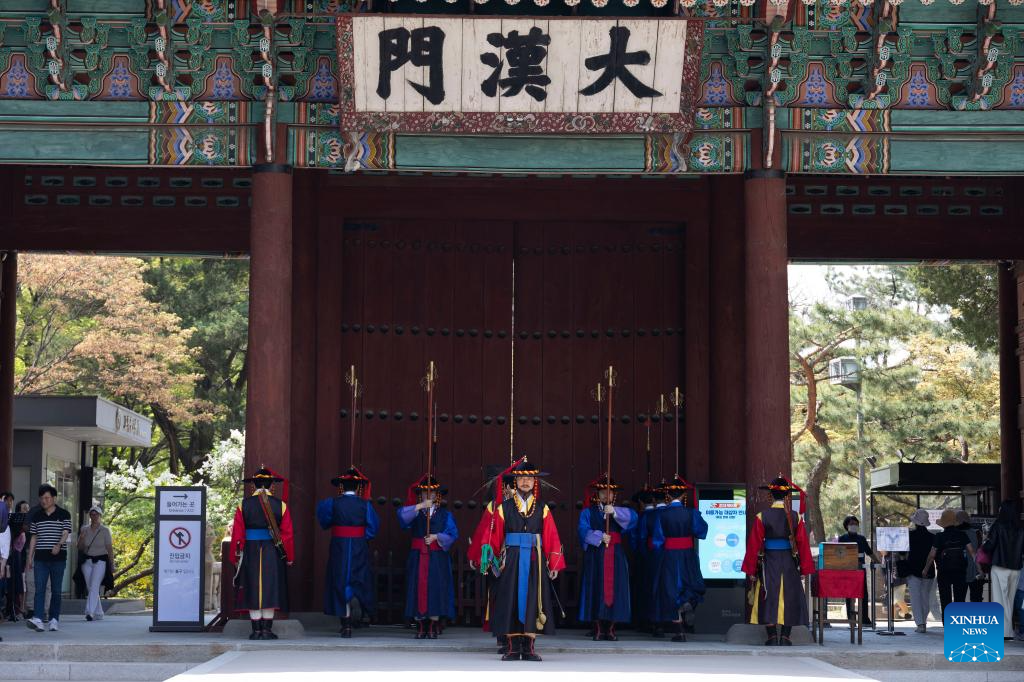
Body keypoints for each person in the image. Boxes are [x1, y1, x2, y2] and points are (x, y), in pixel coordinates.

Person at [467, 457, 566, 662]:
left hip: (534, 558)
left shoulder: (542, 507)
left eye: (529, 479)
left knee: (533, 599)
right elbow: (493, 536)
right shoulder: (504, 507)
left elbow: (551, 535)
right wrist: (489, 559)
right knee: (509, 598)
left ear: (535, 482)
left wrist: (553, 562)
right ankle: (512, 647)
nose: (525, 482)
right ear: (515, 481)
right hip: (510, 558)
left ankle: (529, 648)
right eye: (521, 478)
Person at [741, 475, 814, 646]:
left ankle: (772, 637)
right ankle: (786, 637)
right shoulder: (796, 517)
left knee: (769, 594)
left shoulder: (762, 516)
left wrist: (751, 570)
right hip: (789, 561)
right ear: (787, 496)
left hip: (769, 561)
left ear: (770, 495)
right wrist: (804, 569)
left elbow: (754, 545)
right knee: (789, 595)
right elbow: (803, 545)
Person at [228, 467, 294, 640]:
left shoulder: (244, 505)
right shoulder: (281, 505)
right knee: (270, 587)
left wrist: (235, 556)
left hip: (250, 549)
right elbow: (287, 534)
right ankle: (267, 630)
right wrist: (289, 556)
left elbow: (237, 534)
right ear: (272, 485)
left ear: (253, 485)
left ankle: (256, 630)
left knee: (252, 586)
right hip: (272, 550)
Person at [317, 466, 378, 638]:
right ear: (358, 487)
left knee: (340, 579)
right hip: (359, 546)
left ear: (341, 487)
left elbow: (325, 521)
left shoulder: (332, 503)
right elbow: (373, 527)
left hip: (339, 546)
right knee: (358, 579)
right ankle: (358, 616)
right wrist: (361, 536)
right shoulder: (365, 506)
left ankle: (346, 623)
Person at [397, 474, 458, 639]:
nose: (428, 495)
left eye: (432, 492)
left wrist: (437, 537)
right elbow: (402, 517)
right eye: (425, 493)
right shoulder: (416, 512)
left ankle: (432, 624)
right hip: (418, 557)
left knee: (436, 588)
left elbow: (452, 534)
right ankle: (420, 625)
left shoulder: (445, 515)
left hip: (437, 557)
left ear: (437, 494)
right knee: (417, 587)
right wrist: (420, 506)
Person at [577, 474, 637, 641]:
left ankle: (610, 628)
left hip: (616, 554)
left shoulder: (620, 511)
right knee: (596, 588)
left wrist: (615, 512)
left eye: (609, 492)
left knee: (616, 589)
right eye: (603, 492)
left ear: (614, 494)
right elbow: (582, 531)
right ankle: (597, 627)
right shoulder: (588, 512)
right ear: (597, 494)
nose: (606, 495)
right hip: (596, 555)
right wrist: (598, 536)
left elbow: (634, 520)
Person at [650, 475, 708, 642]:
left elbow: (657, 540)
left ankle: (679, 631)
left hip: (668, 555)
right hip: (688, 554)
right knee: (689, 583)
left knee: (670, 589)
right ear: (684, 495)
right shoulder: (691, 513)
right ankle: (688, 604)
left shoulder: (661, 515)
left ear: (668, 495)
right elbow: (702, 532)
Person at [26, 484, 72, 632]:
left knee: (56, 590)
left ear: (53, 498)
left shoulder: (64, 514)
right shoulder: (36, 516)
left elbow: (66, 532)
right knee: (39, 589)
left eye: (46, 498)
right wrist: (29, 558)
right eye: (41, 498)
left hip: (58, 559)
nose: (44, 501)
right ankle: (38, 618)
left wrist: (59, 544)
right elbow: (34, 537)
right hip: (40, 559)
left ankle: (54, 619)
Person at [922, 508, 975, 617]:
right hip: (960, 570)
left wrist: (925, 569)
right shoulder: (962, 535)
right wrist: (979, 569)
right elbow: (972, 552)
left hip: (943, 571)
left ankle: (947, 623)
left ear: (943, 523)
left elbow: (932, 555)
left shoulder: (939, 536)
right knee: (959, 598)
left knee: (945, 598)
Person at [983, 500, 1024, 639]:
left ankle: (1004, 632)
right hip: (1016, 568)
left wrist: (985, 540)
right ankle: (1008, 631)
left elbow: (989, 547)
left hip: (1000, 566)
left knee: (1000, 600)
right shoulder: (1021, 527)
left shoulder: (998, 525)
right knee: (1009, 600)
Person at [838, 515, 880, 625]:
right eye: (851, 524)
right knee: (849, 595)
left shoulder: (861, 538)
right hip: (848, 569)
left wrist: (877, 561)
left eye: (856, 524)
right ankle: (851, 619)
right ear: (846, 526)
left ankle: (865, 619)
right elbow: (839, 554)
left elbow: (869, 551)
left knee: (863, 594)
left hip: (860, 569)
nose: (854, 526)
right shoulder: (842, 539)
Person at [76, 505, 114, 622]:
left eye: (96, 514)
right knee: (90, 586)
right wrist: (81, 538)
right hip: (87, 560)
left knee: (95, 585)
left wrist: (112, 564)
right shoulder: (84, 529)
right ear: (90, 516)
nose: (94, 516)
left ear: (100, 515)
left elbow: (109, 548)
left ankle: (90, 612)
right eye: (92, 514)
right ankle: (99, 612)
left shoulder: (105, 530)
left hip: (101, 560)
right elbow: (79, 547)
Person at [904, 509, 937, 633]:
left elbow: (903, 553)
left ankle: (920, 624)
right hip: (929, 570)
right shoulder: (933, 537)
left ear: (916, 522)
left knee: (915, 598)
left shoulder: (910, 536)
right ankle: (924, 620)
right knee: (925, 597)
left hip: (913, 570)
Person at [954, 510, 984, 603]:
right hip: (976, 570)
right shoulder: (977, 533)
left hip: (959, 571)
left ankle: (960, 617)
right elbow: (981, 550)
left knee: (959, 600)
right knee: (976, 599)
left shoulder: (954, 534)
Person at [7, 500, 29, 621]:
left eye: (27, 508)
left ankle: (22, 608)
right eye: (24, 509)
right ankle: (16, 608)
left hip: (23, 557)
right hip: (15, 557)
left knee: (23, 584)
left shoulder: (29, 525)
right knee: (17, 582)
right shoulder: (15, 527)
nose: (26, 511)